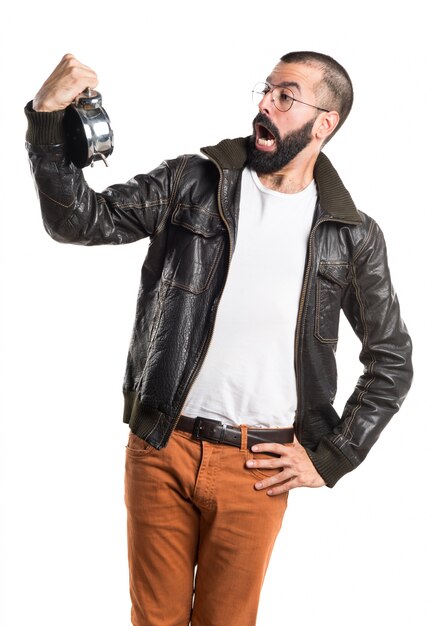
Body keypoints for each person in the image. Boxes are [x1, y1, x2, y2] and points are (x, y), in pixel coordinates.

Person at [25, 51, 413, 626]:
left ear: (323, 123)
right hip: (161, 446)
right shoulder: (193, 181)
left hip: (258, 467)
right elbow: (80, 221)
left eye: (285, 96)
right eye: (267, 90)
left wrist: (333, 457)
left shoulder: (353, 235)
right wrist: (48, 119)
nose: (265, 104)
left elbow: (391, 360)